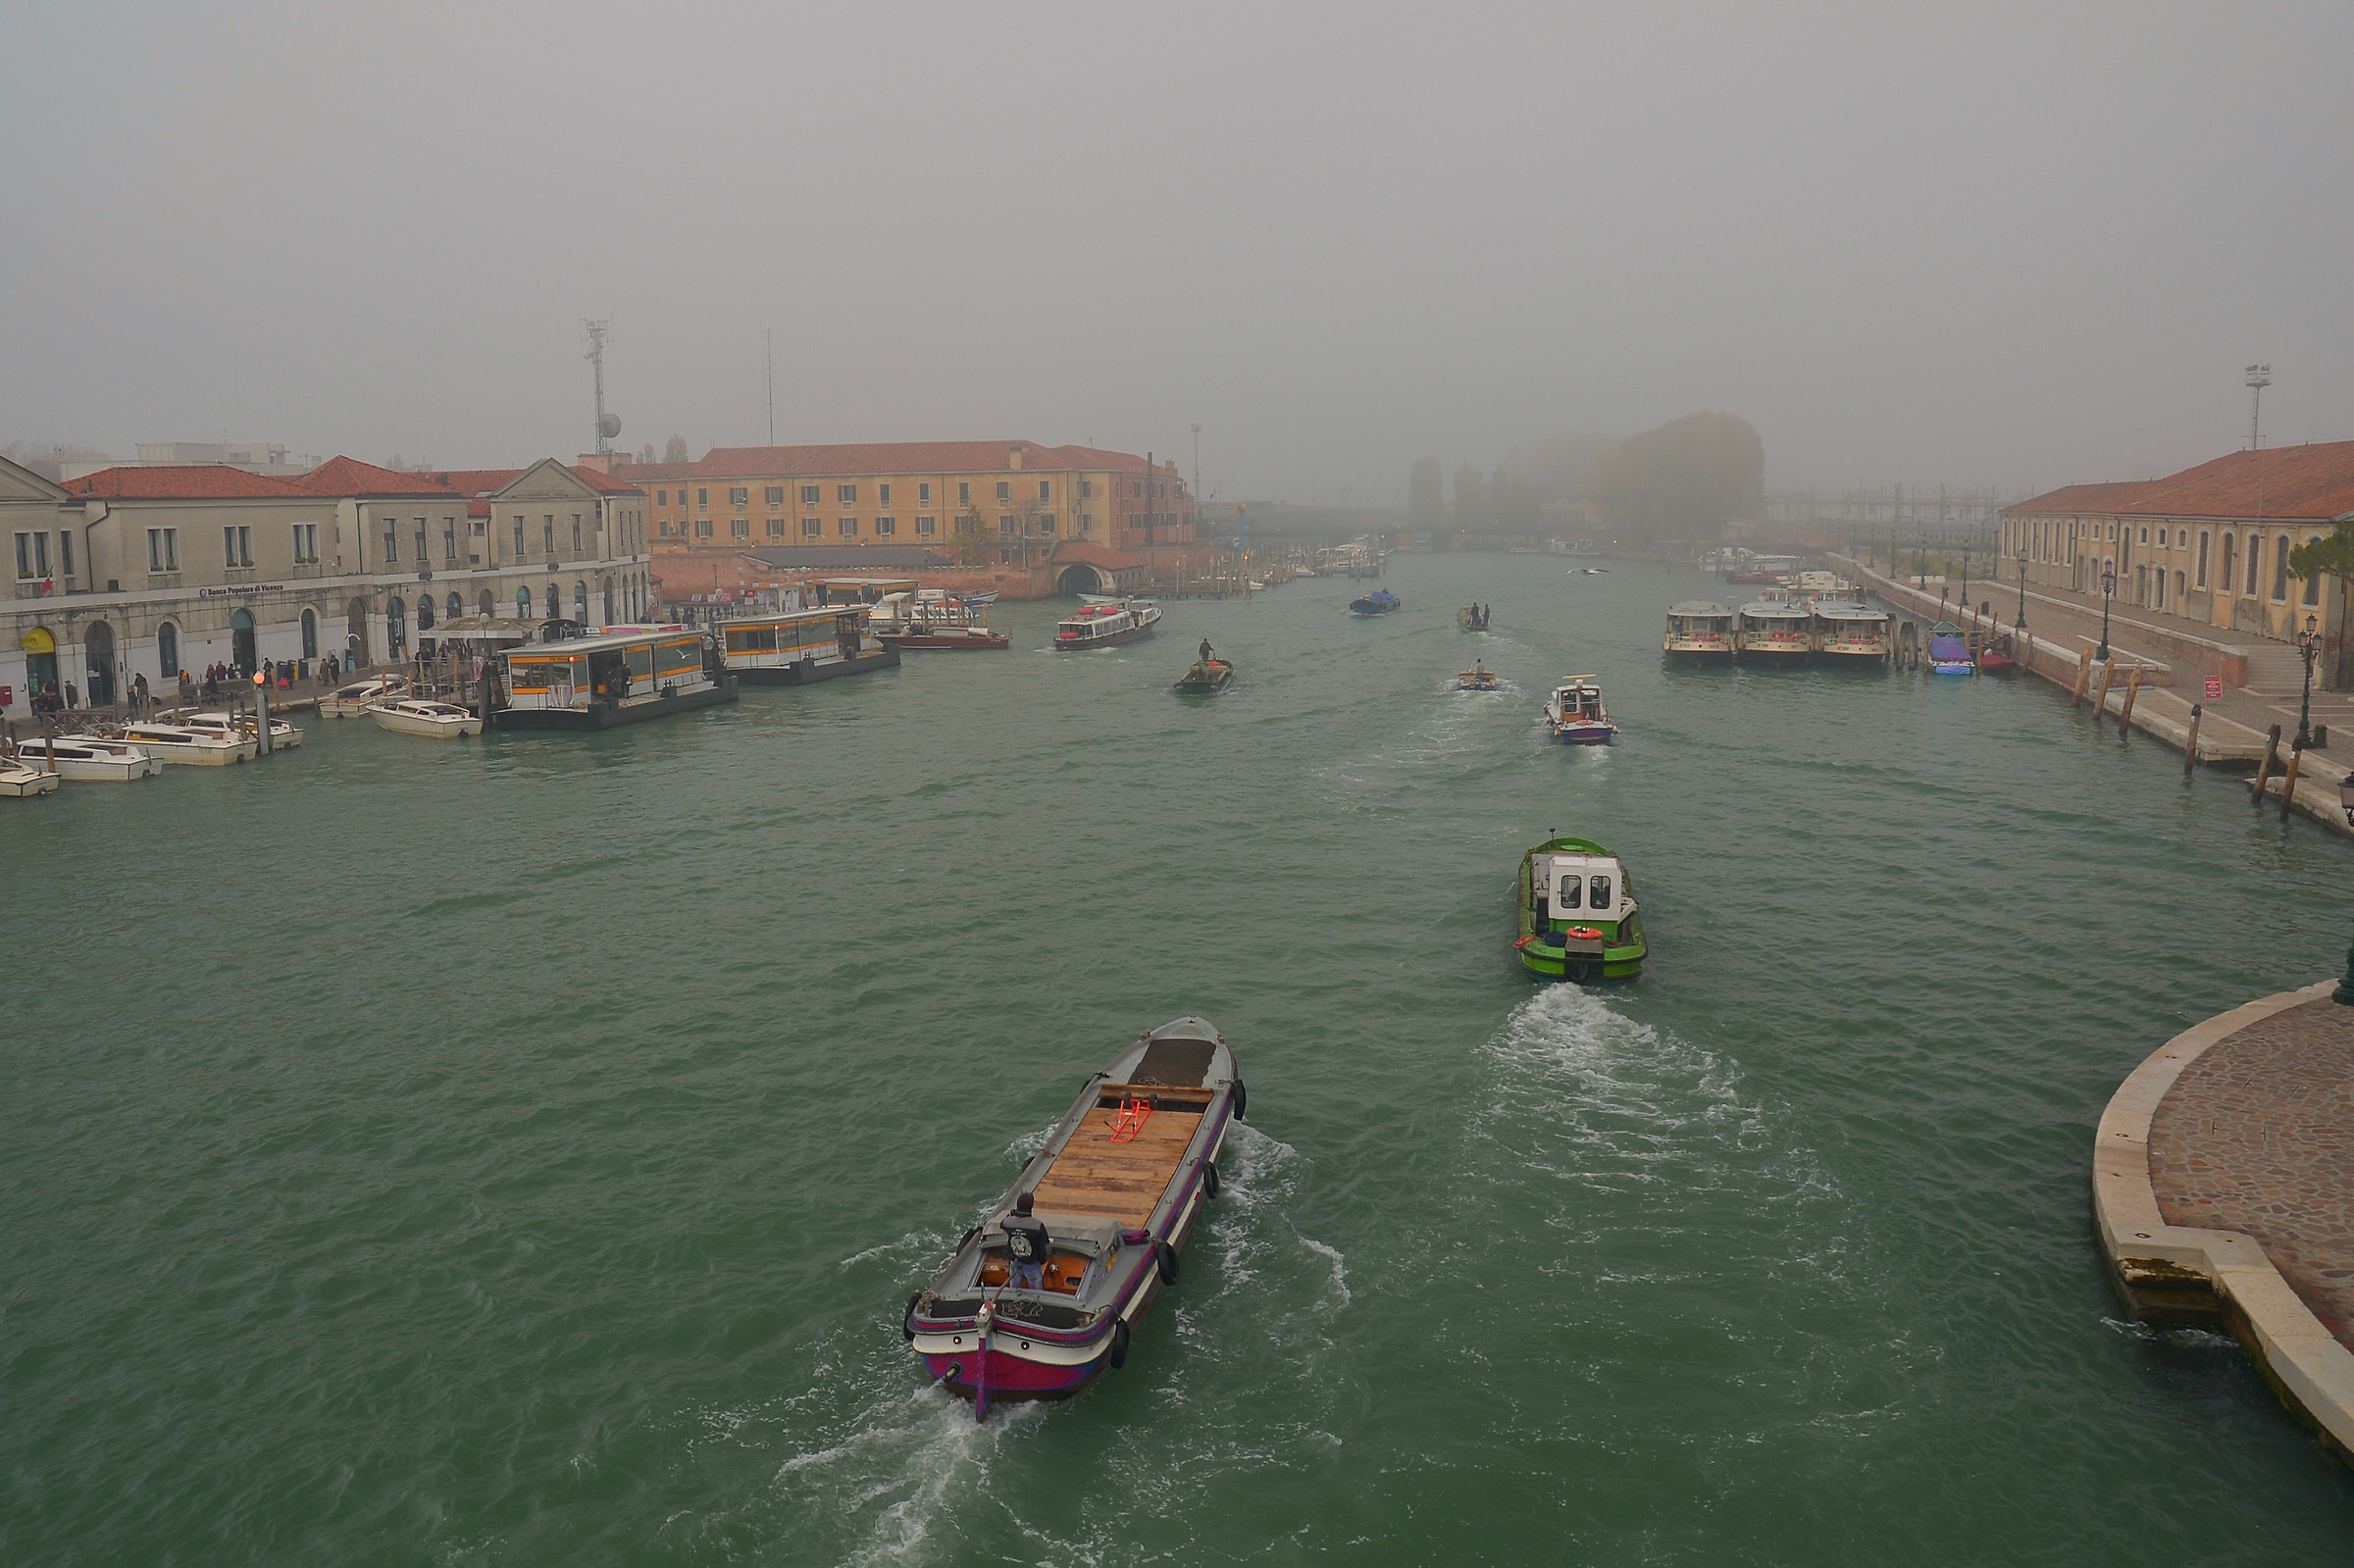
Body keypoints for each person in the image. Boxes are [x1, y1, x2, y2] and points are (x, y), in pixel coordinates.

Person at [1000, 1190, 1049, 1290]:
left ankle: (1015, 1301)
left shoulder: (1007, 1222)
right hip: (1031, 1264)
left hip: (1015, 1262)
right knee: (1036, 1291)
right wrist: (1041, 1260)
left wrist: (1012, 1214)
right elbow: (1045, 1247)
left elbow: (1002, 1224)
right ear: (1031, 1206)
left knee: (1015, 1289)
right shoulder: (1037, 1226)